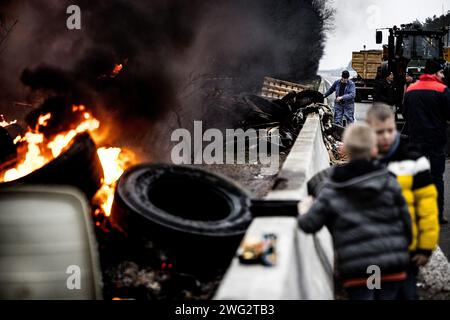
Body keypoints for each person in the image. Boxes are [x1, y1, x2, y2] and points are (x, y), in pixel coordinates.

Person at [298, 123, 412, 300]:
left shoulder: (331, 189)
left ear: (345, 151)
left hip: (358, 270)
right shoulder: (390, 181)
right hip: (391, 265)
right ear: (374, 150)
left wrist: (305, 209)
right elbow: (407, 224)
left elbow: (309, 224)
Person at [366, 103, 440, 299]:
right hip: (374, 253)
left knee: (406, 294)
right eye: (379, 132)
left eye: (390, 130)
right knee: (376, 293)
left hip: (406, 251)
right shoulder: (363, 162)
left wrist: (425, 248)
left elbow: (428, 208)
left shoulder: (414, 161)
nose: (386, 137)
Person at [404, 59, 450, 225]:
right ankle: (437, 214)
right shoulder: (442, 89)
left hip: (416, 140)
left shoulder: (411, 89)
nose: (443, 76)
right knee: (437, 177)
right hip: (437, 140)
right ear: (435, 73)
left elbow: (405, 112)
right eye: (441, 73)